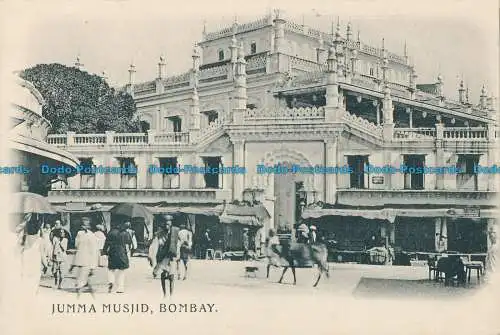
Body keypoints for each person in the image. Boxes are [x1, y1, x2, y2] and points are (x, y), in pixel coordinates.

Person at [148, 215, 180, 297]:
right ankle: (165, 294)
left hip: (171, 257)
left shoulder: (175, 233)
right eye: (165, 224)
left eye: (168, 224)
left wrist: (178, 255)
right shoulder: (159, 234)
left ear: (171, 224)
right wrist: (151, 256)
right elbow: (153, 245)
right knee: (163, 274)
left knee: (172, 276)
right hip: (162, 257)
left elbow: (178, 244)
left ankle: (171, 294)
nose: (167, 226)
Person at [70, 217, 99, 295]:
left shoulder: (79, 233)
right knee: (84, 273)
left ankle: (81, 285)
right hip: (88, 257)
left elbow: (76, 245)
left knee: (82, 273)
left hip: (81, 256)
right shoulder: (91, 234)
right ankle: (80, 286)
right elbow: (94, 248)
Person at [103, 221, 133, 293]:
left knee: (111, 269)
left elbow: (106, 243)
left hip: (112, 252)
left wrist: (104, 251)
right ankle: (120, 288)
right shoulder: (126, 233)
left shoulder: (111, 232)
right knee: (121, 271)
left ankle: (111, 282)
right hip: (122, 252)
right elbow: (130, 244)